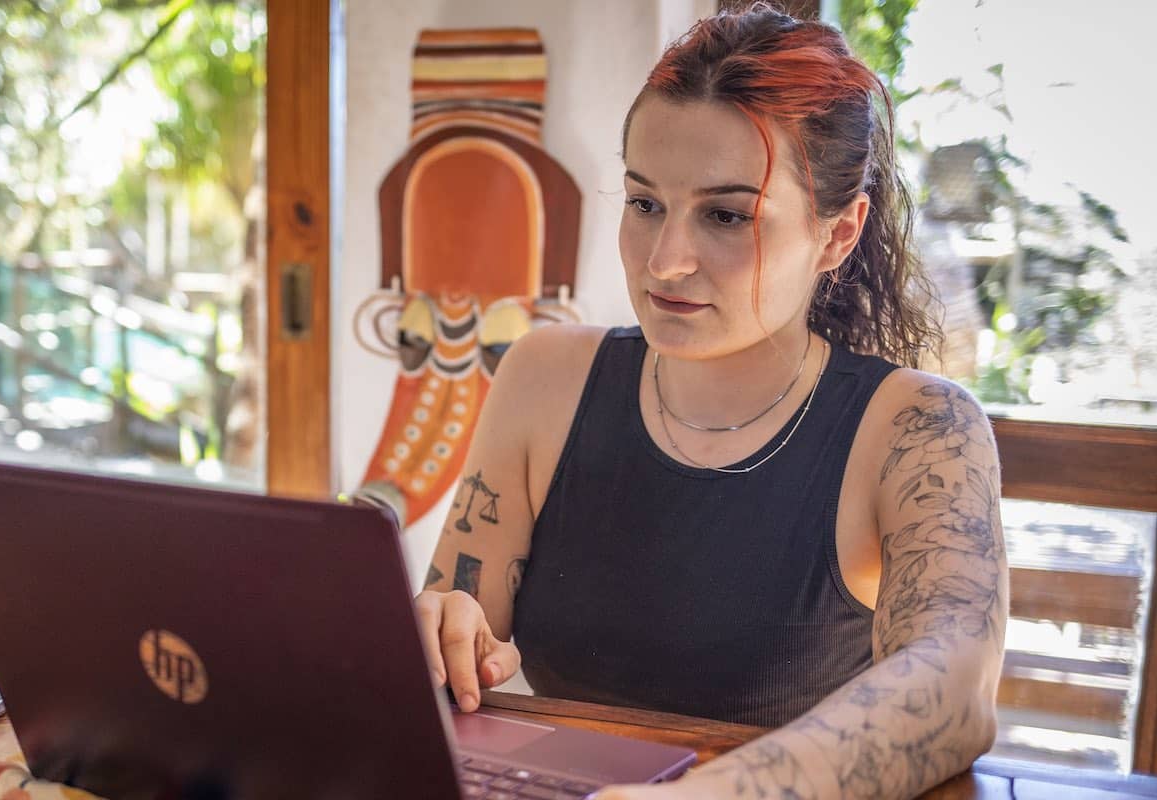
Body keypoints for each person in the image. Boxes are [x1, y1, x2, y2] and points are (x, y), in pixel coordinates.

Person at [413, 3, 1007, 798]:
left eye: (726, 216)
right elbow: (457, 614)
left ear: (838, 234)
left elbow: (952, 688)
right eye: (645, 203)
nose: (666, 261)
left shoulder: (919, 428)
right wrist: (432, 631)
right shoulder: (544, 375)